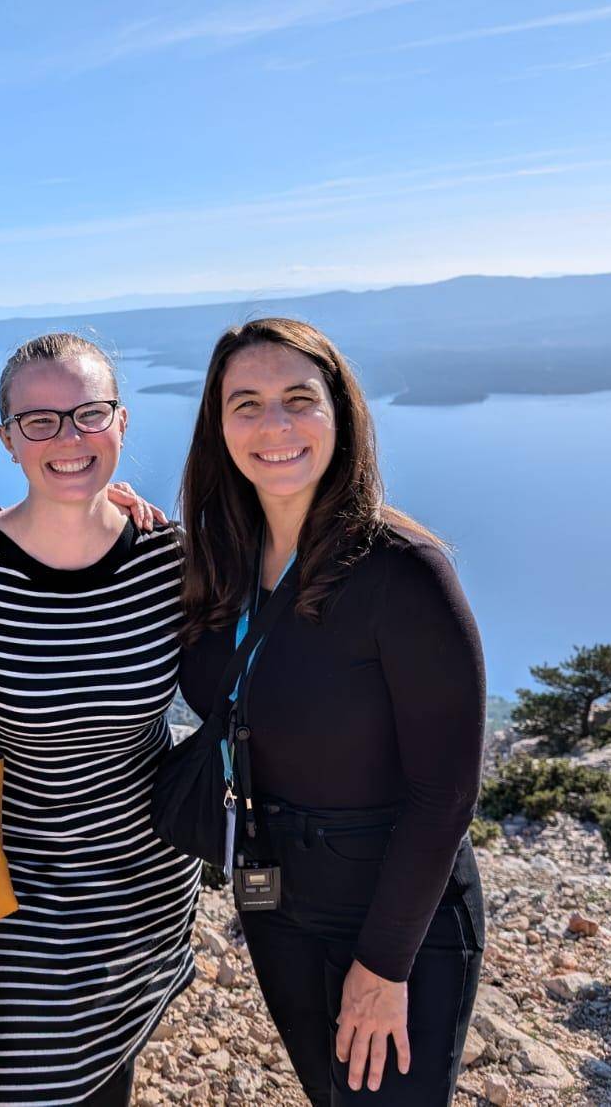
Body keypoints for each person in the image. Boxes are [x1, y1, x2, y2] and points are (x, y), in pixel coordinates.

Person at [175, 318, 486, 1106]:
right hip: (272, 893)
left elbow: (444, 796)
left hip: (389, 909)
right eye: (245, 404)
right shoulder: (220, 564)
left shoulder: (403, 573)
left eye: (297, 399)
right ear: (217, 426)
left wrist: (383, 969)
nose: (273, 425)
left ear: (341, 414)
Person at [0, 332, 202, 1106]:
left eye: (88, 414)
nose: (68, 438)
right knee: (25, 1088)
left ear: (122, 423)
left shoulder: (169, 562)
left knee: (107, 1079)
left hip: (142, 887)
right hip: (13, 896)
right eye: (39, 422)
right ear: (7, 440)